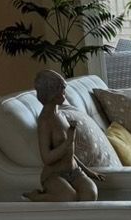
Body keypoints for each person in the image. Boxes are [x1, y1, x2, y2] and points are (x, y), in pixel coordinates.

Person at [27, 70, 102, 202]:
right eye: (61, 91)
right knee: (69, 198)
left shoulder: (60, 114)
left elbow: (69, 152)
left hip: (74, 171)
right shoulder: (45, 121)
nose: (64, 94)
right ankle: (36, 196)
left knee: (90, 195)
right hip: (54, 175)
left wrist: (88, 171)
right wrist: (68, 142)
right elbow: (47, 158)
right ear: (51, 93)